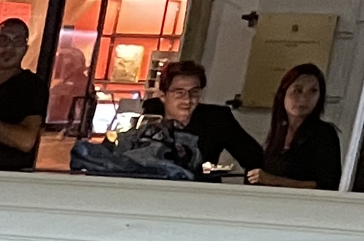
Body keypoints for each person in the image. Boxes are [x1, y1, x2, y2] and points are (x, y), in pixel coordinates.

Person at [141, 59, 263, 177]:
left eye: (195, 92)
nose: (188, 99)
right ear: (163, 95)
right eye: (179, 92)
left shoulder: (216, 119)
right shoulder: (149, 118)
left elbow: (255, 159)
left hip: (202, 191)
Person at [251, 60, 341, 188]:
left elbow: (328, 184)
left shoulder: (323, 134)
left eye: (313, 91)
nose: (304, 99)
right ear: (283, 93)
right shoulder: (280, 130)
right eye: (298, 90)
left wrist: (274, 180)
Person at [0, 19, 50, 170]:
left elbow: (26, 141)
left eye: (17, 41)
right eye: (3, 40)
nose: (9, 47)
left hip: (6, 175)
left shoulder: (31, 87)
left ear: (25, 48)